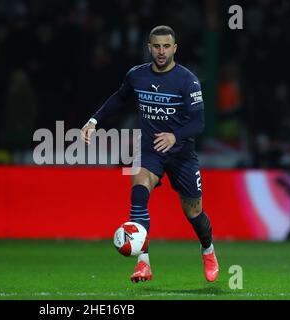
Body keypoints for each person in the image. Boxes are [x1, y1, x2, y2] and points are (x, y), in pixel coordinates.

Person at [81, 26, 219, 283]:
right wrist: (93, 120)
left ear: (175, 48)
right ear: (149, 47)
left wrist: (175, 136)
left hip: (181, 154)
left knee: (194, 214)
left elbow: (199, 123)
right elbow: (119, 99)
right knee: (138, 191)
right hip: (150, 150)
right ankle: (143, 263)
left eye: (166, 46)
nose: (161, 51)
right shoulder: (137, 75)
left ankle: (208, 250)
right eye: (156, 46)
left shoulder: (188, 81)